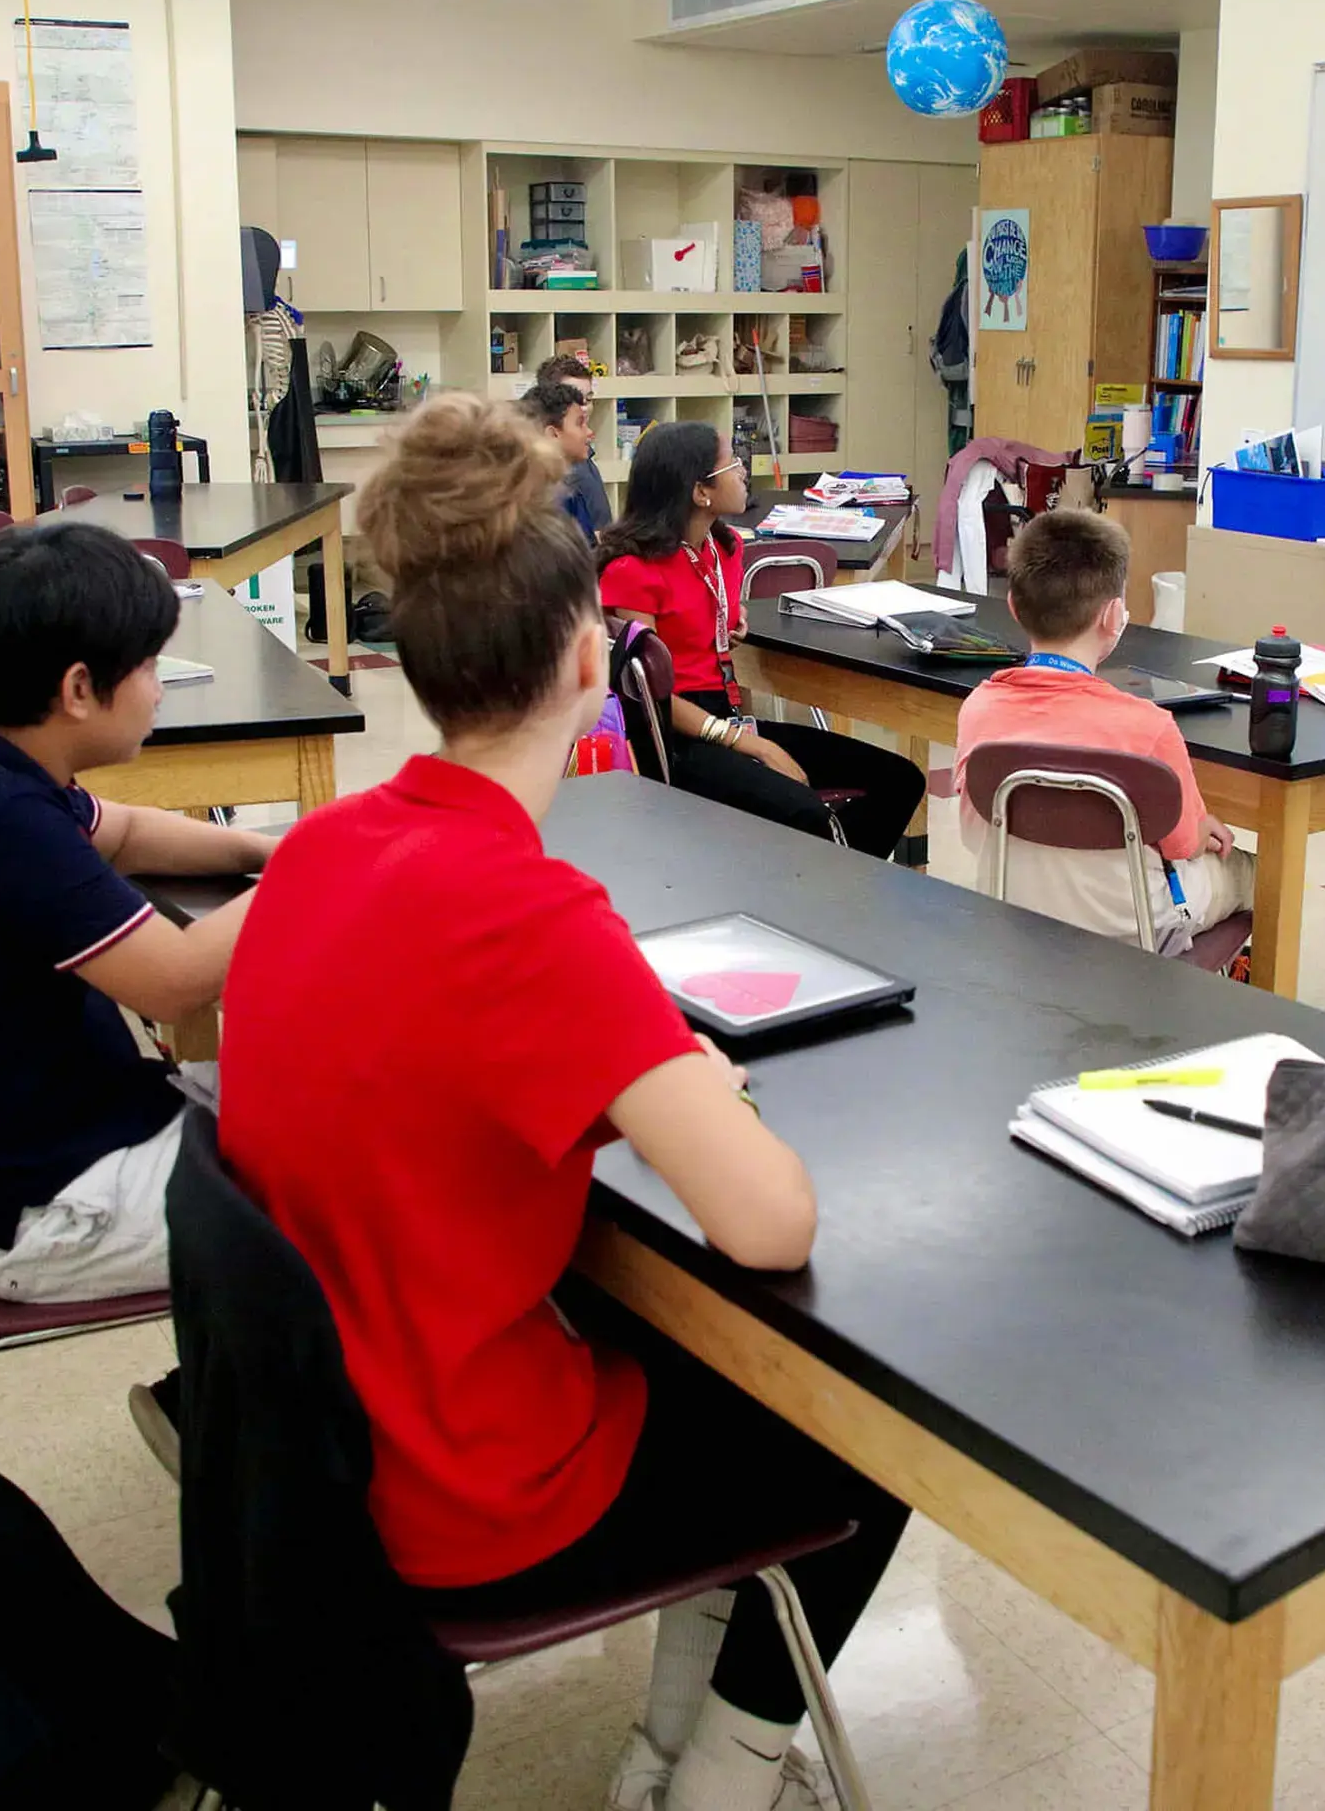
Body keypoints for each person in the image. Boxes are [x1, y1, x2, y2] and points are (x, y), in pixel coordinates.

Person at [219, 393, 906, 1811]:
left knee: (706, 1364)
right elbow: (768, 1224)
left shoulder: (320, 850)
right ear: (594, 653)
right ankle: (719, 1775)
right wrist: (698, 1083)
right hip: (465, 1478)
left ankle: (676, 1753)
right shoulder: (531, 915)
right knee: (868, 1435)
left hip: (332, 1432)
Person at [0, 525, 273, 1462]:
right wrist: (319, 868)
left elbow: (119, 834)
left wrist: (261, 851)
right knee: (375, 1185)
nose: (161, 687)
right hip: (45, 1213)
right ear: (80, 689)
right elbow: (172, 984)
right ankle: (250, 1433)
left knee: (325, 1108)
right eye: (153, 667)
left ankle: (228, 1402)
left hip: (69, 1140)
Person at [597, 422, 924, 858]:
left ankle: (830, 884)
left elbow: (710, 618)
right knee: (804, 813)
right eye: (731, 463)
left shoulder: (725, 548)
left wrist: (730, 624)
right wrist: (752, 744)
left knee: (901, 779)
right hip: (675, 735)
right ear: (700, 492)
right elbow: (648, 694)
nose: (743, 471)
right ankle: (821, 885)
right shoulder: (633, 571)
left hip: (727, 716)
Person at [953, 508, 1254, 952]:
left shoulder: (979, 708)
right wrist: (1197, 822)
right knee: (1253, 872)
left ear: (1014, 607)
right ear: (1114, 616)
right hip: (1134, 926)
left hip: (1014, 909)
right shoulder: (1149, 727)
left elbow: (971, 829)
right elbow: (1184, 847)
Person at [521, 376, 609, 540]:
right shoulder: (551, 500)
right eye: (579, 423)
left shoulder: (569, 489)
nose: (589, 433)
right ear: (553, 434)